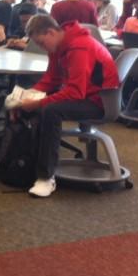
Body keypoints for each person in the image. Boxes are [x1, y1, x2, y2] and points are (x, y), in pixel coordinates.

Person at [15, 15, 119, 199]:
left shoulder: (80, 46)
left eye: (41, 43)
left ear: (51, 32)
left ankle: (46, 177)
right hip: (87, 95)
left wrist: (37, 102)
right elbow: (51, 80)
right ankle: (28, 164)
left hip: (100, 102)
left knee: (50, 110)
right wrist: (26, 96)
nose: (41, 47)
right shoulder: (58, 46)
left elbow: (75, 92)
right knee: (34, 106)